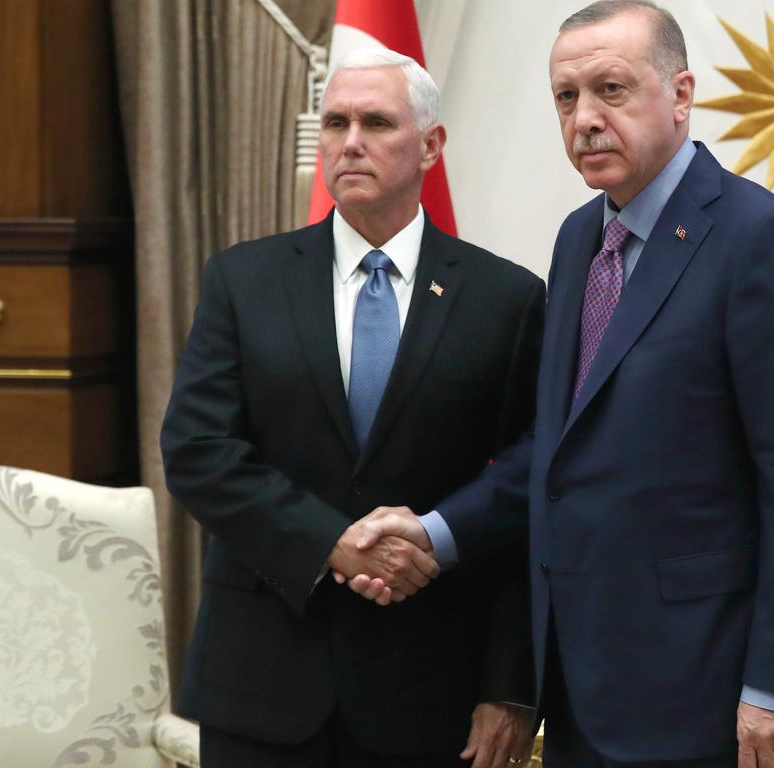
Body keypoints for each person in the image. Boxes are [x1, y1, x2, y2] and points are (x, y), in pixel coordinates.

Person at [351, 3, 774, 767]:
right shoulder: (581, 237)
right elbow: (557, 452)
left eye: (611, 90)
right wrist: (435, 532)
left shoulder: (760, 240)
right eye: (565, 97)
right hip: (580, 686)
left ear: (680, 95)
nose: (584, 119)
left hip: (706, 691)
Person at [160, 49, 544, 768]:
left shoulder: (506, 299)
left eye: (376, 122)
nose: (351, 141)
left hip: (433, 688)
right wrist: (327, 540)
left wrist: (512, 686)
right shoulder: (244, 279)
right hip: (263, 678)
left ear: (431, 145)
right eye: (336, 123)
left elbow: (530, 479)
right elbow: (196, 450)